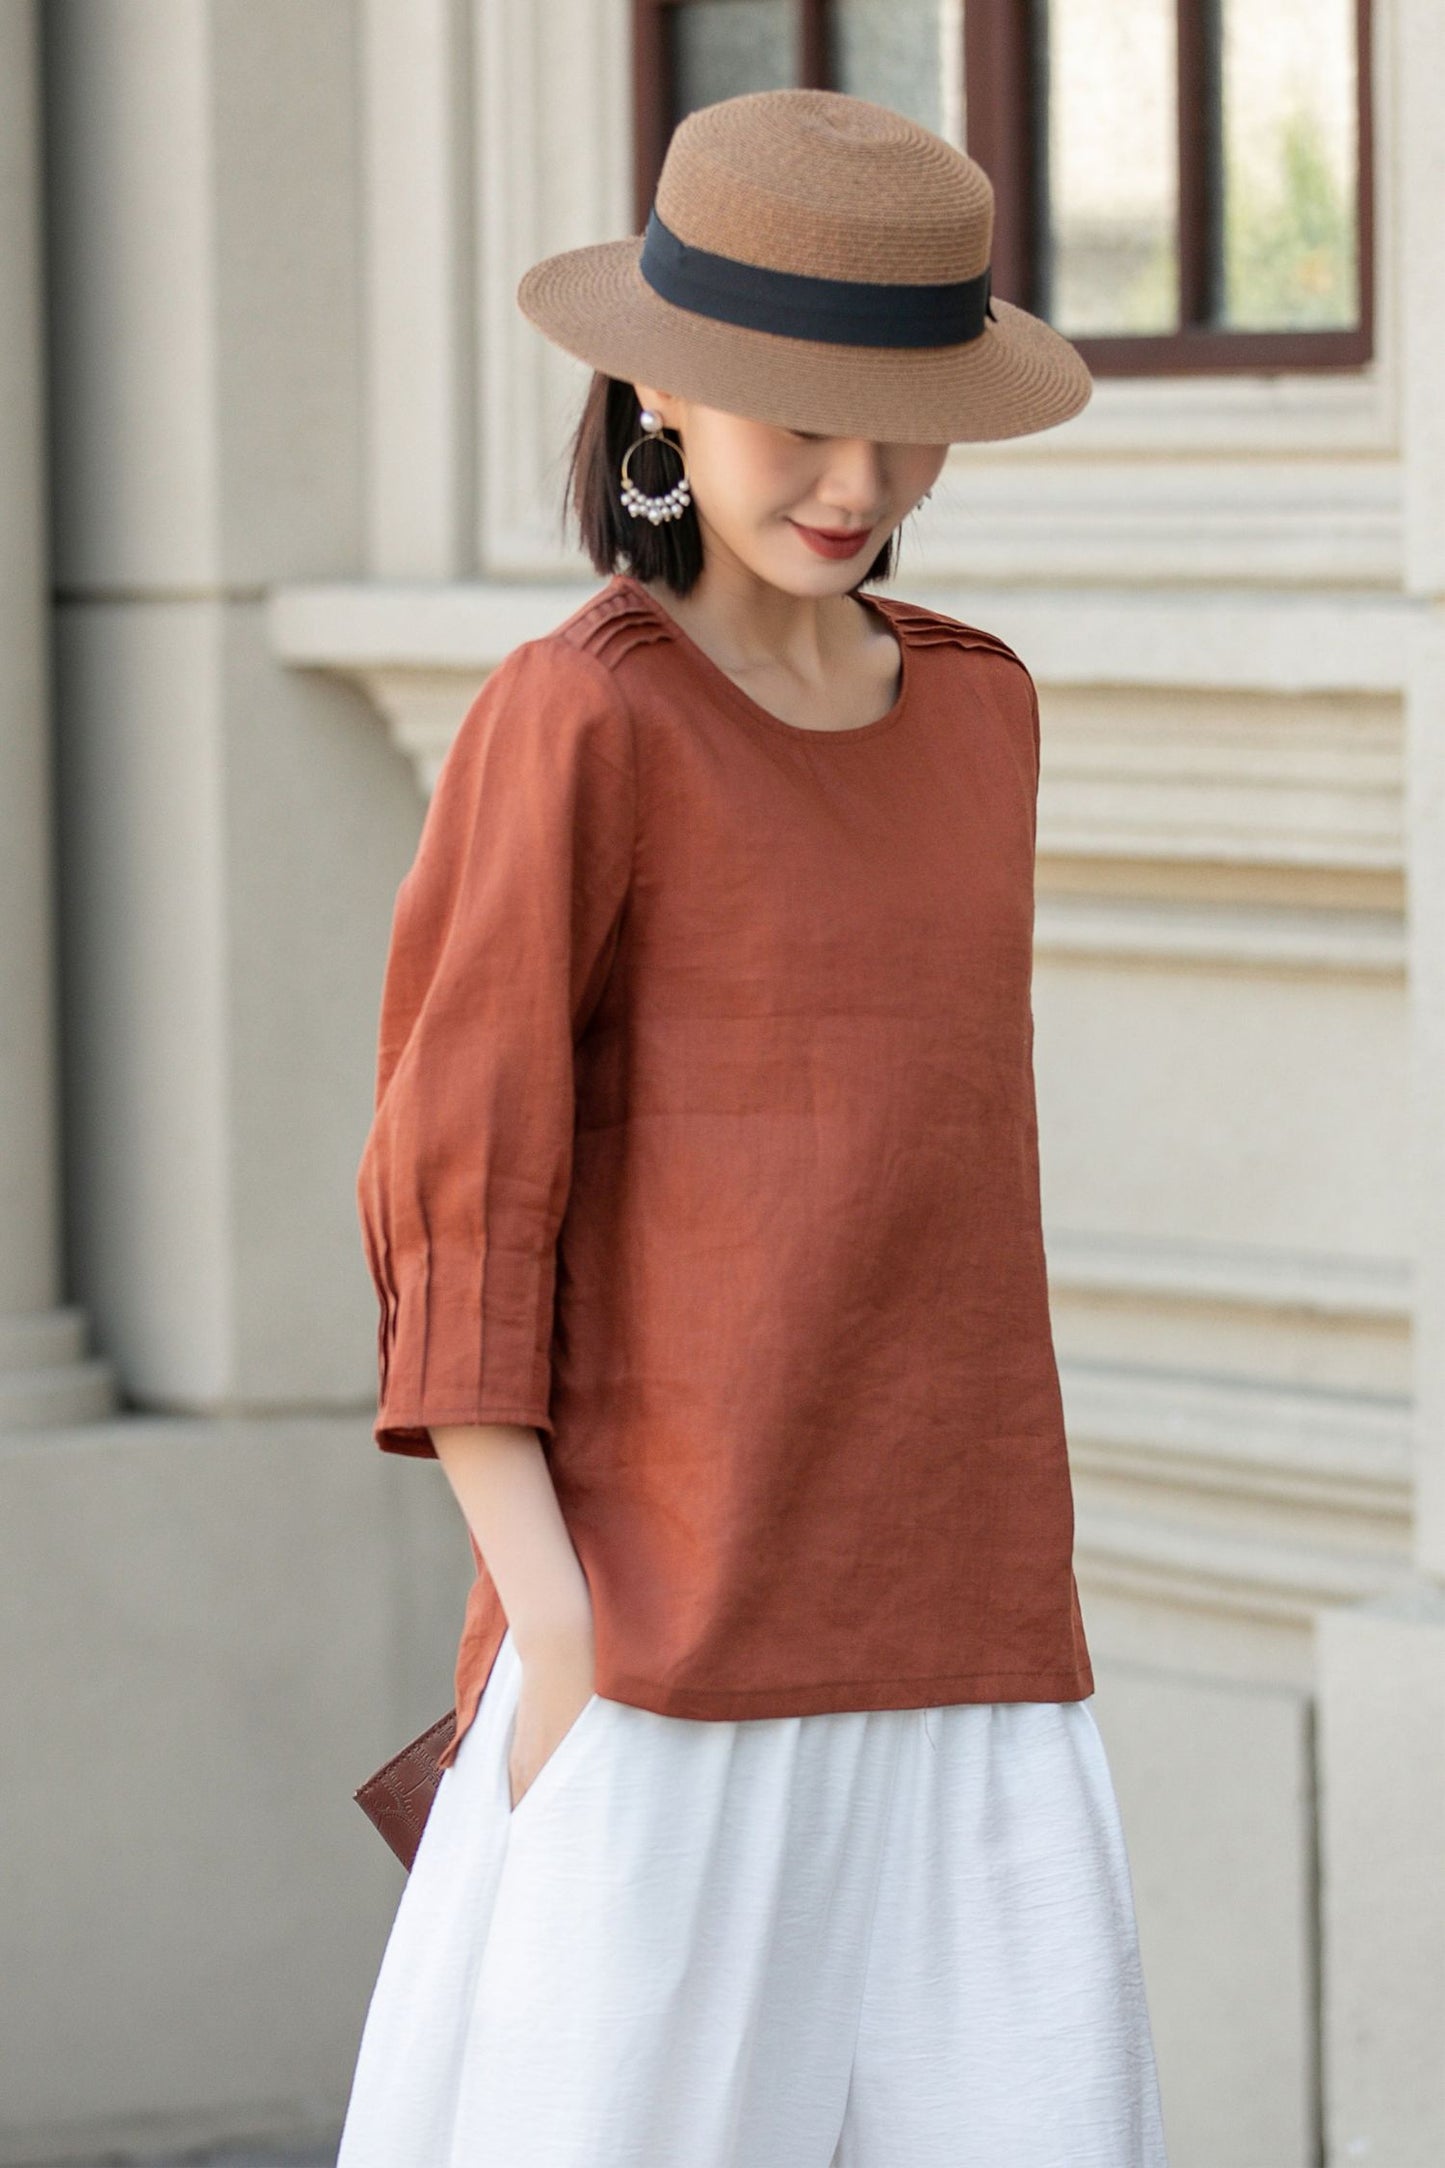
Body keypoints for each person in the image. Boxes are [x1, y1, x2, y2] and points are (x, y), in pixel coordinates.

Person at [336, 85, 1170, 2168]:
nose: (857, 480)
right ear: (659, 392)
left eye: (904, 421)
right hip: (663, 1645)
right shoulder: (584, 715)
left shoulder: (980, 710)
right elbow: (463, 1194)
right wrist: (554, 1624)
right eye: (799, 417)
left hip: (972, 1625)